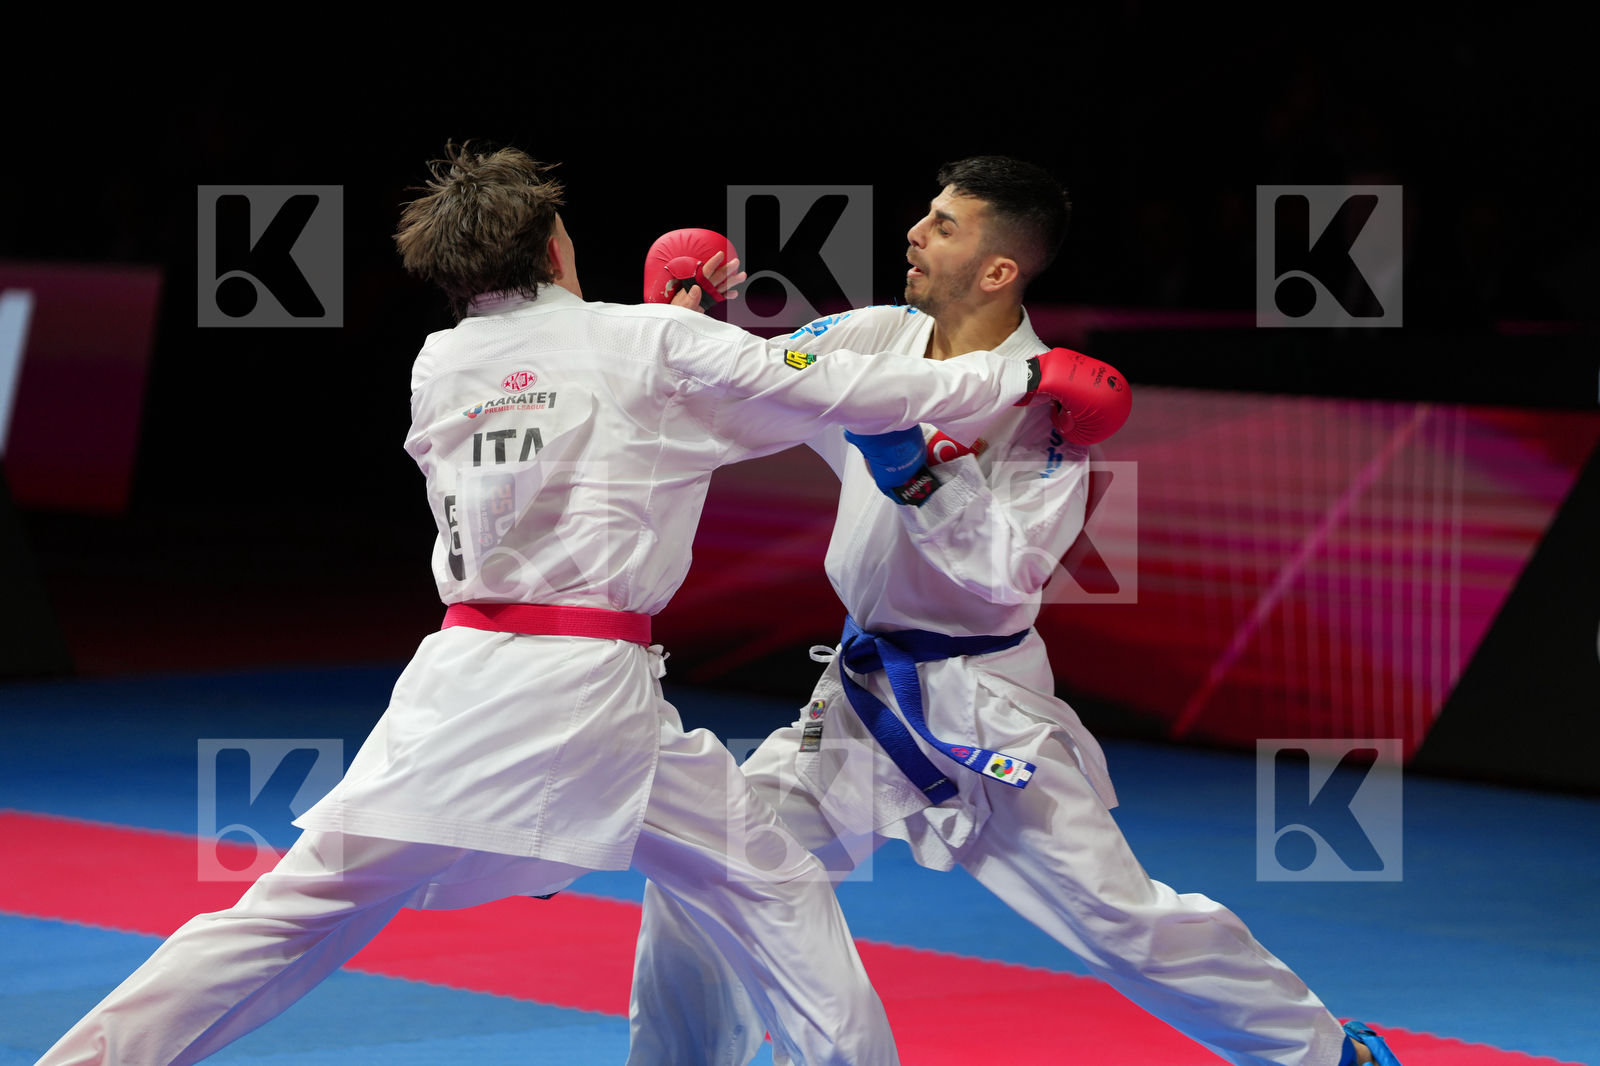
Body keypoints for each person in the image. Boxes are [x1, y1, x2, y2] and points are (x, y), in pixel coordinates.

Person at [33, 144, 1098, 1066]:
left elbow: (600, 414)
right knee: (776, 899)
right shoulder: (642, 343)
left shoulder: (440, 362)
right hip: (588, 688)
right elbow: (843, 393)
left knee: (290, 916)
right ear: (553, 248)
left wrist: (679, 336)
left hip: (463, 682)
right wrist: (1022, 377)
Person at [627, 157, 1399, 1066]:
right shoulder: (870, 338)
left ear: (1000, 270)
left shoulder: (1054, 408)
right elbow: (750, 382)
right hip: (859, 693)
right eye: (926, 214)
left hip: (984, 705)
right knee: (703, 866)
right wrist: (681, 322)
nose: (914, 232)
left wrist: (915, 474)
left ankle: (1324, 1054)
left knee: (1121, 923)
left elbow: (1007, 573)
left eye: (945, 224)